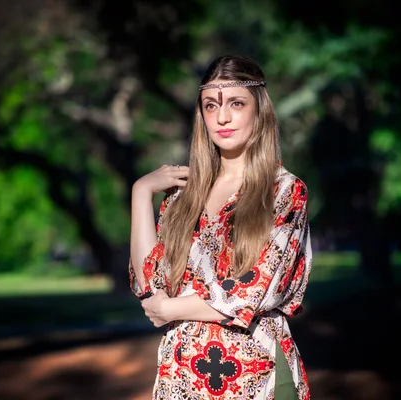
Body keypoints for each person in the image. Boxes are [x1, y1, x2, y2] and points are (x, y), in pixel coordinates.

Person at [129, 54, 313, 400]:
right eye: (211, 106)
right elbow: (150, 283)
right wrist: (141, 193)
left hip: (258, 375)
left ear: (259, 110)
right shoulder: (184, 195)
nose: (222, 117)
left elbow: (254, 291)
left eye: (236, 103)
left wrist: (170, 308)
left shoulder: (285, 191)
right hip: (180, 376)